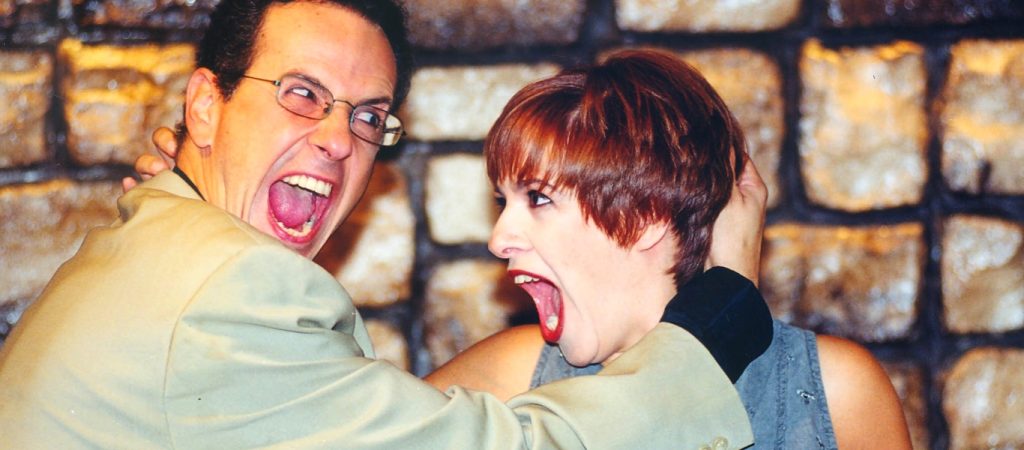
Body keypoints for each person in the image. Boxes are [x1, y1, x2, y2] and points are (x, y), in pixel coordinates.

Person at [0, 1, 773, 448]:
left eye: (368, 116)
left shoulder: (161, 249)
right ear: (205, 106)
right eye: (302, 93)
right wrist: (725, 303)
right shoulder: (225, 288)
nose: (340, 140)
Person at [425, 49, 913, 449]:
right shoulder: (507, 373)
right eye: (502, 201)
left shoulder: (835, 389)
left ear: (646, 217)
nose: (498, 239)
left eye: (538, 198)